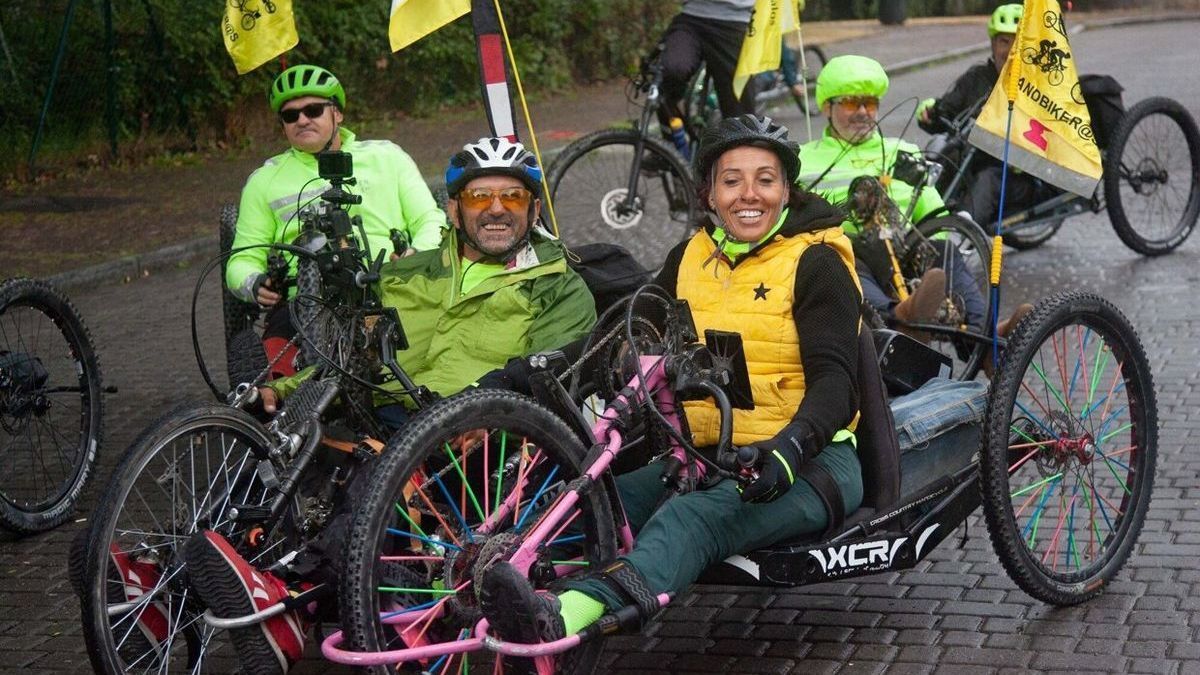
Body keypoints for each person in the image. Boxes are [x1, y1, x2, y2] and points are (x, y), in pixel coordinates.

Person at [182, 137, 597, 675]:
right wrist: (282, 392)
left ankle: (293, 603)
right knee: (278, 441)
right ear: (453, 208)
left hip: (475, 438)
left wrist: (475, 406)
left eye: (512, 198)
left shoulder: (559, 287)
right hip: (383, 415)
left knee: (370, 471)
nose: (496, 209)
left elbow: (545, 372)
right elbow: (353, 360)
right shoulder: (408, 272)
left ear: (534, 209)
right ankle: (178, 580)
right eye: (480, 197)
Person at [476, 115, 865, 671]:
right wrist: (528, 370)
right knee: (592, 505)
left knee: (690, 522)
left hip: (809, 464)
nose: (748, 194)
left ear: (787, 190)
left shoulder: (817, 262)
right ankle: (490, 584)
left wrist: (789, 448)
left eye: (765, 180)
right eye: (732, 181)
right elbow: (616, 333)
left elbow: (836, 383)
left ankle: (562, 614)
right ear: (708, 191)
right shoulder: (690, 258)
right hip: (703, 458)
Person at [226, 64, 447, 377]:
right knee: (270, 392)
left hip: (392, 290)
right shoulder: (264, 181)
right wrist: (255, 283)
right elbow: (240, 261)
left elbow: (432, 221)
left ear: (338, 114)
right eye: (291, 115)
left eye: (314, 110)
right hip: (302, 305)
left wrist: (417, 255)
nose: (302, 120)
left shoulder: (388, 157)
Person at [798, 54, 1030, 341]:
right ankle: (900, 317)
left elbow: (934, 213)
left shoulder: (901, 151)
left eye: (869, 103)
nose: (862, 112)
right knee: (846, 258)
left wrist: (949, 232)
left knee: (944, 251)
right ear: (825, 107)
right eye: (849, 102)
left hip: (906, 250)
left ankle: (987, 340)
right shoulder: (803, 161)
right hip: (846, 252)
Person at [915, 4, 1042, 230]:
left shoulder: (1039, 87)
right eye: (1004, 41)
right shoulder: (977, 78)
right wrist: (930, 113)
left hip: (1020, 176)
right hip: (971, 159)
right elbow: (947, 111)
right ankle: (920, 224)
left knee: (987, 180)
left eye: (1018, 43)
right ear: (993, 45)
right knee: (941, 155)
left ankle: (960, 238)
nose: (1010, 50)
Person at [657, 1, 759, 126]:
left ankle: (738, 140)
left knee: (740, 118)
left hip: (736, 20)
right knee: (669, 70)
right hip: (691, 17)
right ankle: (672, 136)